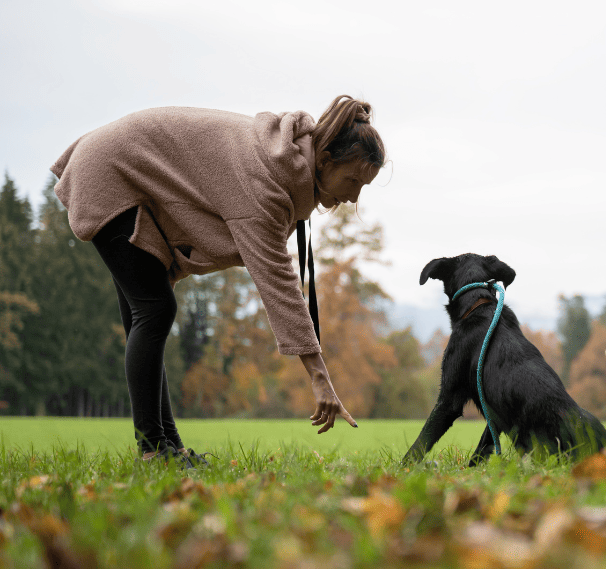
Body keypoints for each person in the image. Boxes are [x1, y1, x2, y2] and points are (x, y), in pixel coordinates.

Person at [50, 95, 384, 466]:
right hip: (109, 172)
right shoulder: (267, 181)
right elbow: (278, 282)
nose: (354, 195)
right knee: (154, 310)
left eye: (363, 186)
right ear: (322, 161)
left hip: (123, 168)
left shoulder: (285, 163)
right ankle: (152, 450)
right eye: (352, 179)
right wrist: (319, 375)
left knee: (148, 312)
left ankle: (167, 448)